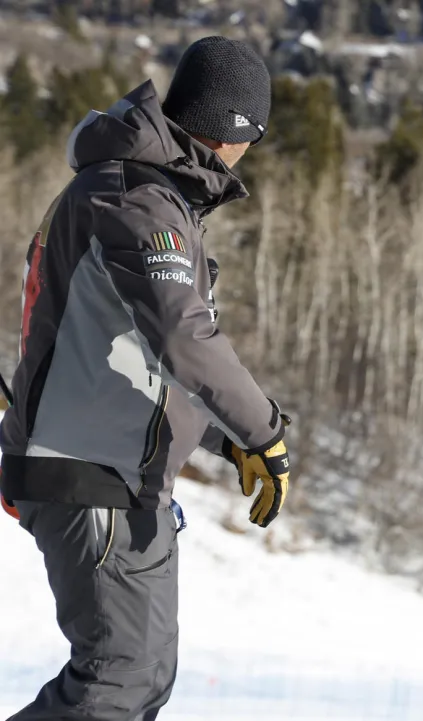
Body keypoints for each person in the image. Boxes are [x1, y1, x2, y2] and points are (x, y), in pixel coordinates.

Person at [0, 36, 292, 721]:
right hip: (88, 469)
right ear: (235, 129)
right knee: (115, 683)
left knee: (144, 678)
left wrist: (228, 441)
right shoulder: (137, 197)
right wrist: (264, 431)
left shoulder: (153, 196)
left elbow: (133, 353)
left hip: (126, 476)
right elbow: (181, 335)